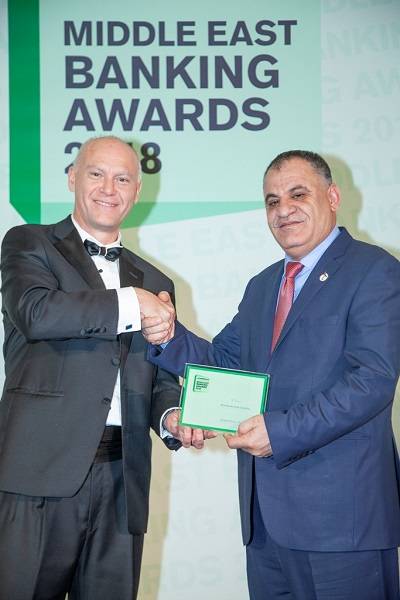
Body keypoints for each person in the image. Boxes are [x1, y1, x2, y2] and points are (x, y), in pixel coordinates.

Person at [144, 150, 400, 599]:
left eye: (298, 195)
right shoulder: (263, 285)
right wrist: (167, 334)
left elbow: (371, 381)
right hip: (265, 526)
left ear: (333, 197)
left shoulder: (375, 270)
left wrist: (280, 432)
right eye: (272, 201)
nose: (284, 210)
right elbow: (222, 363)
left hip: (342, 524)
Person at [0, 136, 203, 600]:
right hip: (39, 475)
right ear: (73, 178)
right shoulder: (29, 243)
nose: (109, 188)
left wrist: (171, 415)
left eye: (123, 179)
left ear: (137, 192)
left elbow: (158, 376)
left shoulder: (156, 280)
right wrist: (133, 303)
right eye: (96, 174)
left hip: (122, 481)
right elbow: (37, 313)